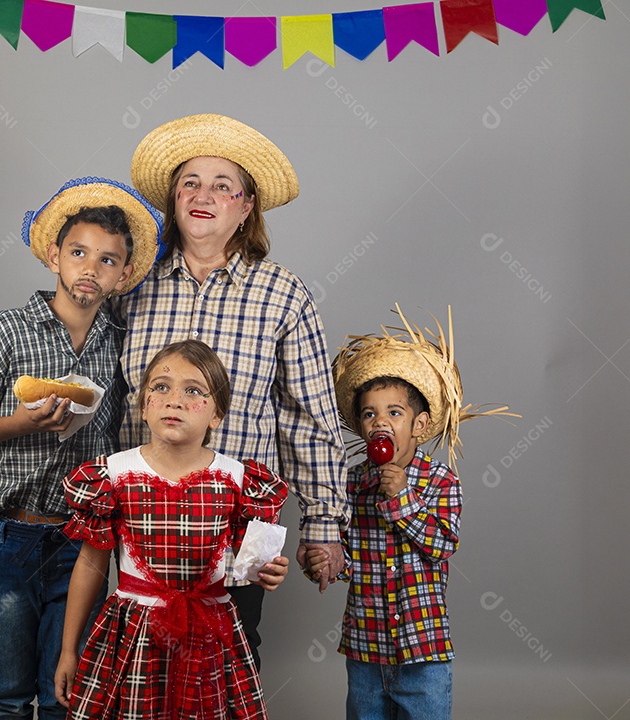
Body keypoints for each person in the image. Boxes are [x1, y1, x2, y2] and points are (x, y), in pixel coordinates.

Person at [113, 113, 350, 668]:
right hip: (140, 509)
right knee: (143, 654)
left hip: (238, 517)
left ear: (246, 208)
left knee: (229, 655)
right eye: (190, 182)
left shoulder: (282, 294)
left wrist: (322, 523)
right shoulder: (130, 286)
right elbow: (103, 395)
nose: (204, 195)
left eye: (224, 186)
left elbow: (308, 419)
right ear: (173, 199)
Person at [0, 177, 162, 720]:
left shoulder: (119, 347)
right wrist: (22, 423)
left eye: (108, 260)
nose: (91, 268)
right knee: (7, 693)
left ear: (122, 275)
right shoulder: (3, 333)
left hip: (80, 541)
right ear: (54, 256)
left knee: (66, 695)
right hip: (6, 535)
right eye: (78, 252)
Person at [53, 339, 290, 719]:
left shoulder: (240, 481)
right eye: (160, 387)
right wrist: (68, 649)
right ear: (144, 406)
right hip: (135, 633)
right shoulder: (112, 476)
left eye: (193, 390)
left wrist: (270, 570)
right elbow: (91, 565)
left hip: (210, 636)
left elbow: (254, 566)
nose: (174, 400)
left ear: (216, 414)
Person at [307, 305, 516, 720]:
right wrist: (327, 560)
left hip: (423, 649)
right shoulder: (351, 483)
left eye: (394, 413)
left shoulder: (440, 481)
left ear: (419, 425)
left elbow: (442, 545)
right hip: (365, 647)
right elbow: (350, 561)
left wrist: (401, 498)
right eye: (369, 414)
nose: (380, 422)